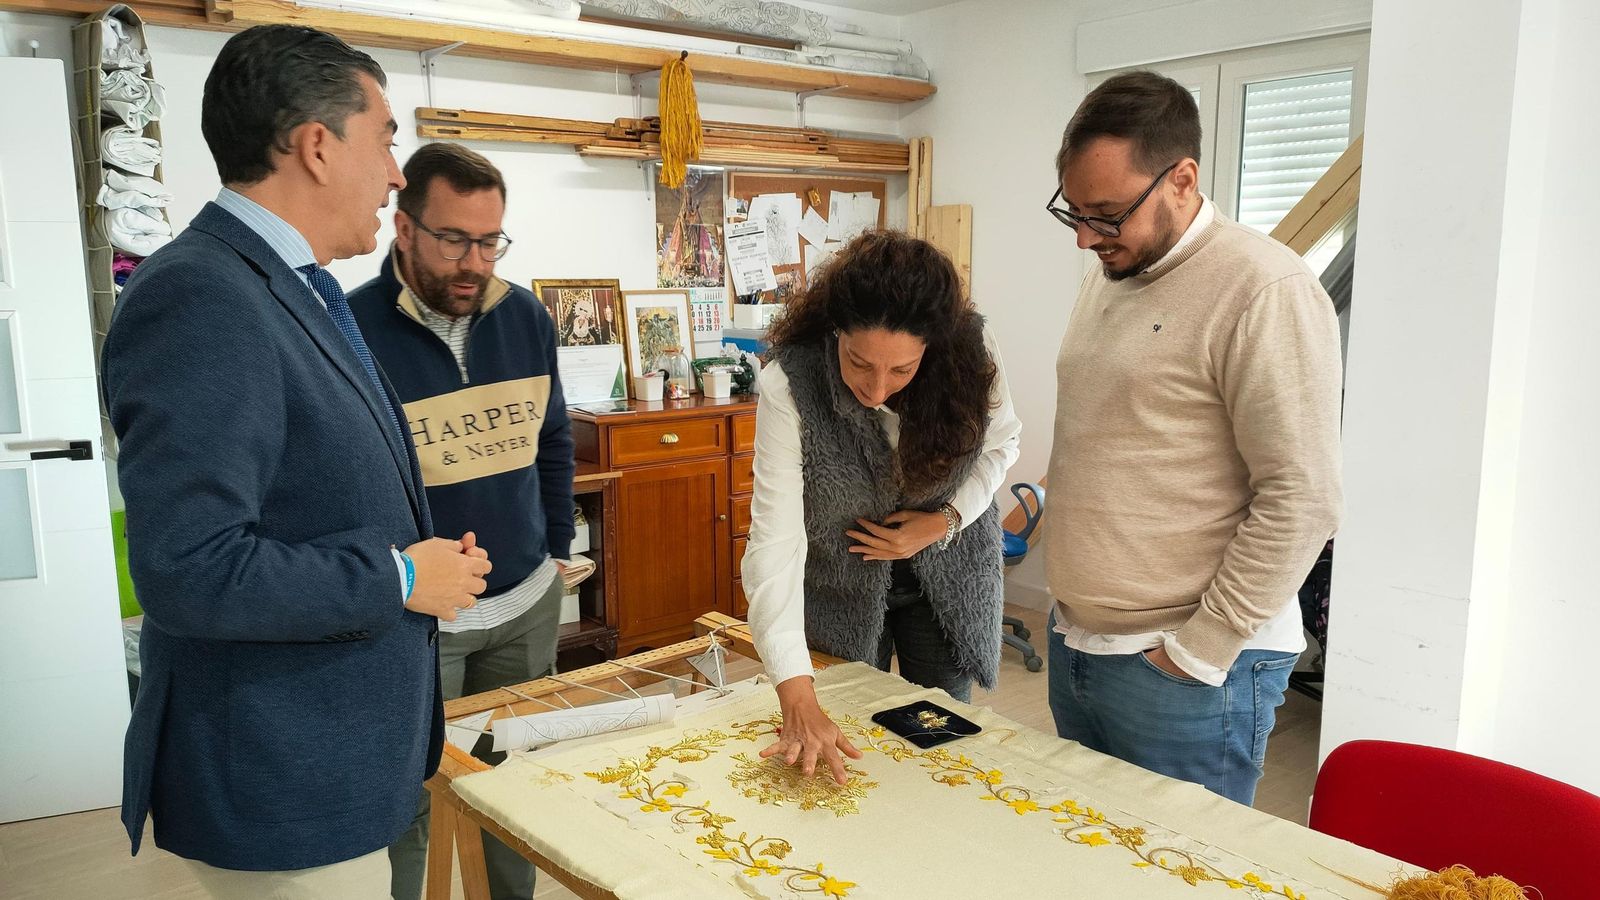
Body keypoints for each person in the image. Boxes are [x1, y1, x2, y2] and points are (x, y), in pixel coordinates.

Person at [103, 25, 492, 899]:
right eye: (385, 140)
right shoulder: (204, 294)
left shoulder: (286, 286)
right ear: (317, 146)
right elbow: (188, 568)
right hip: (281, 774)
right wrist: (398, 577)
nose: (396, 174)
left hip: (330, 751)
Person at [1044, 70, 1343, 805]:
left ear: (1182, 179)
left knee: (1180, 863)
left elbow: (1302, 497)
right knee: (1088, 851)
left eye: (1107, 214)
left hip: (1186, 668)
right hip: (1080, 641)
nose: (1085, 237)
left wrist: (1197, 652)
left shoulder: (1263, 289)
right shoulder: (1112, 271)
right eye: (1074, 212)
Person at [348, 142, 575, 900]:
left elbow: (552, 438)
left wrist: (556, 549)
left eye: (489, 241)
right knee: (415, 801)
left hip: (525, 608)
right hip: (421, 621)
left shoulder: (526, 317)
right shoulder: (349, 329)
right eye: (452, 240)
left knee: (516, 787)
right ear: (403, 228)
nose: (473, 263)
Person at [743, 230, 1022, 785]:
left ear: (932, 349)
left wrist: (944, 521)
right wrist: (795, 691)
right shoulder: (789, 383)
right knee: (848, 727)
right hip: (841, 583)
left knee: (939, 741)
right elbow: (775, 541)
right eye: (858, 362)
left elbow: (1002, 445)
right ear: (835, 331)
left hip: (946, 575)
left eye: (901, 370)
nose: (875, 389)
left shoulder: (970, 349)